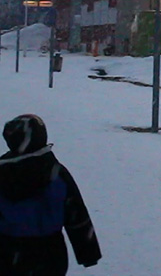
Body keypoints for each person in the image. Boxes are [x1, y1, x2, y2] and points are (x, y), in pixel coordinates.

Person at [0, 113, 102, 275]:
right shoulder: (55, 173)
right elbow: (76, 214)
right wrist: (88, 252)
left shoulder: (2, 172)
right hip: (49, 252)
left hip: (7, 251)